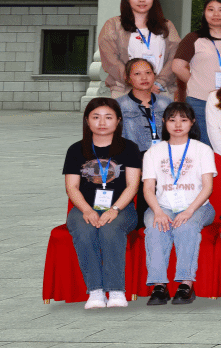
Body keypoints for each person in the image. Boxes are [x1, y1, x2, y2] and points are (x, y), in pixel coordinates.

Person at [64, 98, 142, 309]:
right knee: (84, 231)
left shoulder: (129, 148)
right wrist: (87, 210)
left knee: (110, 229)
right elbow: (72, 187)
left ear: (118, 120)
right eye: (96, 117)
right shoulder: (76, 150)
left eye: (108, 117)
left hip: (122, 208)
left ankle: (116, 290)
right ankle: (95, 291)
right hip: (84, 208)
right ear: (87, 120)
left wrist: (115, 209)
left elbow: (132, 186)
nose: (102, 122)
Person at [141, 101, 215, 306]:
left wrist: (189, 211)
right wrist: (158, 211)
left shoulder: (202, 150)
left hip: (198, 206)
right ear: (164, 123)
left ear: (192, 122)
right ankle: (159, 286)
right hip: (162, 205)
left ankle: (185, 284)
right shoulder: (153, 152)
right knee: (155, 227)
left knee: (186, 227)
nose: (178, 125)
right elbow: (148, 188)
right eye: (172, 120)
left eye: (183, 120)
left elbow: (208, 187)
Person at [169, 0, 221, 146]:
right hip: (200, 101)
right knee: (202, 146)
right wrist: (195, 81)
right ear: (204, 13)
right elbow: (177, 66)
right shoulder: (193, 38)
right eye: (210, 9)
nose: (216, 14)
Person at [98, 0, 181, 97]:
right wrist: (134, 80)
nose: (142, 0)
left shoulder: (167, 25)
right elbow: (110, 60)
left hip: (160, 90)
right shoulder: (113, 25)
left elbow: (175, 56)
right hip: (125, 91)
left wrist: (159, 83)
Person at [117, 58, 171, 151]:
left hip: (164, 154)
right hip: (133, 155)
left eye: (148, 73)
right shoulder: (119, 105)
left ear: (154, 76)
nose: (144, 78)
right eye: (137, 74)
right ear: (127, 77)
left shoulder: (166, 103)